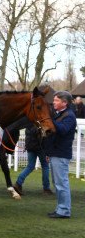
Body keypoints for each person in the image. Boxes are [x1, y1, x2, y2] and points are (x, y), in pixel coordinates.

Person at [44, 91, 76, 219]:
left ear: (64, 102)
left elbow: (62, 130)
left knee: (61, 183)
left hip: (61, 154)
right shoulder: (60, 114)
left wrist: (49, 121)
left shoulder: (69, 116)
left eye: (56, 100)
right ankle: (61, 208)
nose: (54, 102)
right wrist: (48, 153)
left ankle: (64, 210)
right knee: (58, 183)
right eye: (54, 100)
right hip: (55, 153)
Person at [13, 126, 52, 196]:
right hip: (41, 148)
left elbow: (28, 137)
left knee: (30, 166)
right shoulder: (41, 124)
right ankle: (46, 189)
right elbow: (45, 138)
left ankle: (18, 183)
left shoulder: (29, 124)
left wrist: (26, 146)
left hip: (30, 147)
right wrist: (48, 152)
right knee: (45, 167)